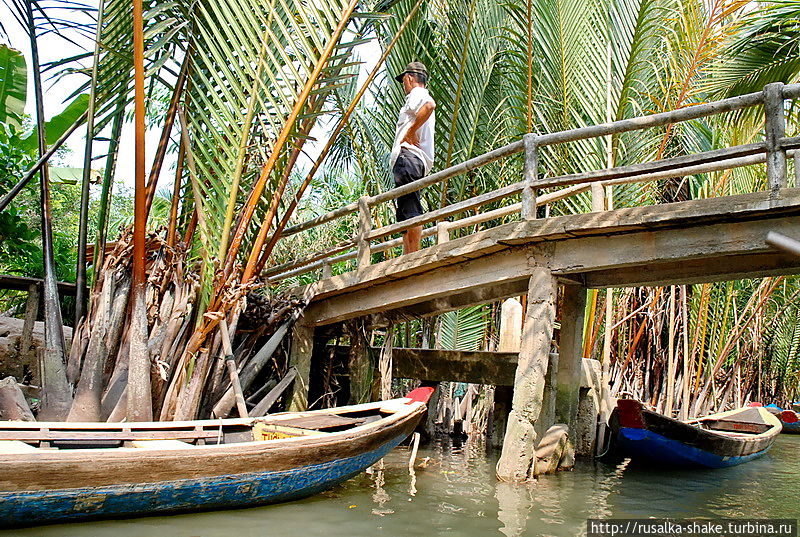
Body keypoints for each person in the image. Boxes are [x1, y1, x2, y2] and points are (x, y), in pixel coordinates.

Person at [390, 61, 436, 254]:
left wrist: (410, 131)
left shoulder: (417, 94)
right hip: (410, 160)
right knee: (406, 212)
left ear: (409, 78)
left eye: (404, 81)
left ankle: (412, 256)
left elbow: (430, 105)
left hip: (409, 158)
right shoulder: (418, 95)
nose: (404, 86)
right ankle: (408, 253)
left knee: (411, 210)